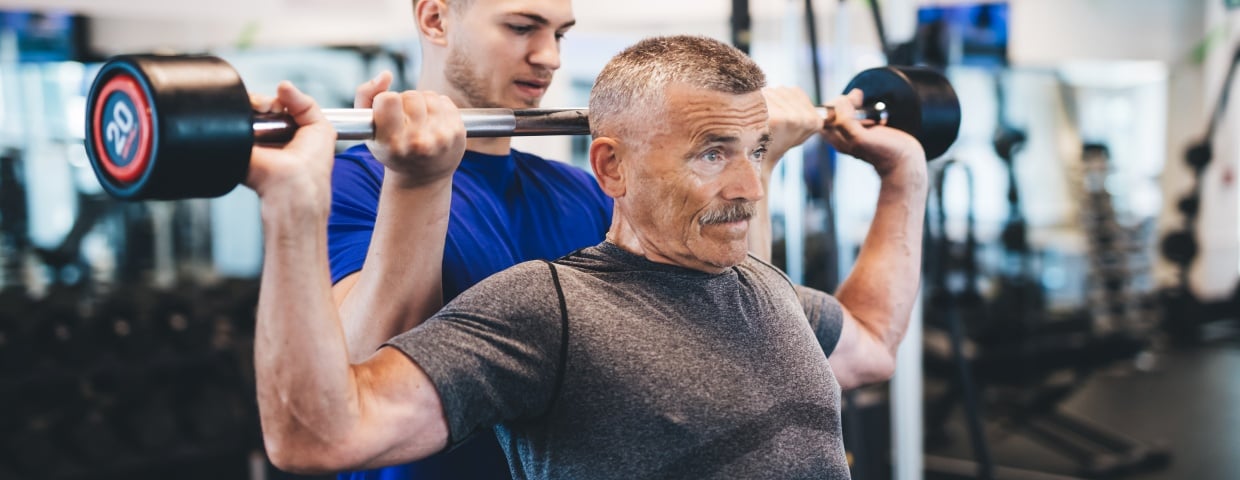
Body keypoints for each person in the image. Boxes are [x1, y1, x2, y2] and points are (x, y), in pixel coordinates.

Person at [247, 34, 926, 479]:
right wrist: (291, 205)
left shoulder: (766, 286)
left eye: (755, 152)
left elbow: (870, 345)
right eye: (711, 153)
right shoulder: (548, 307)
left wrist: (905, 180)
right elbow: (321, 436)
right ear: (613, 169)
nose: (751, 189)